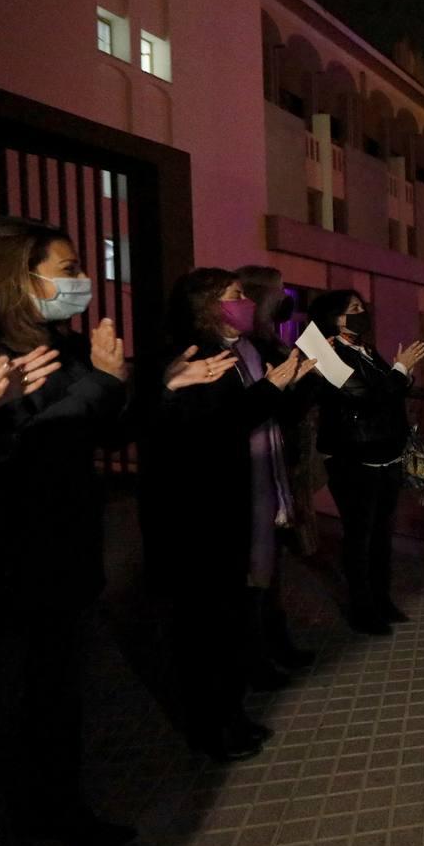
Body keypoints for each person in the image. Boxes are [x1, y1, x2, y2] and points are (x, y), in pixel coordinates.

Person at [0, 217, 136, 846]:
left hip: (66, 553)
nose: (81, 281)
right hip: (8, 566)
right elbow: (25, 448)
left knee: (59, 701)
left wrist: (114, 385)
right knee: (11, 712)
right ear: (18, 276)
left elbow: (98, 439)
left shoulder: (66, 346)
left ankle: (66, 814)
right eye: (67, 269)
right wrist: (101, 387)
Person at [144, 268, 315, 764]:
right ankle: (210, 728)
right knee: (201, 630)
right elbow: (212, 427)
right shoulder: (192, 354)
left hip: (230, 506)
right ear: (207, 304)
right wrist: (270, 390)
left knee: (227, 620)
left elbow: (250, 414)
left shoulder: (241, 350)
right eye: (235, 295)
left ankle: (232, 715)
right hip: (197, 516)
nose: (245, 303)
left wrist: (286, 385)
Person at [309, 290, 424, 635]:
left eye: (362, 307)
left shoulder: (366, 349)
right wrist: (401, 369)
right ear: (333, 317)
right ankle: (362, 608)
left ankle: (382, 599)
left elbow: (388, 391)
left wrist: (402, 374)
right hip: (352, 457)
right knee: (359, 537)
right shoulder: (324, 351)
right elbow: (364, 394)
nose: (362, 313)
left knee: (381, 534)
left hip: (385, 453)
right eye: (353, 309)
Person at [235, 266, 317, 684]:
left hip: (277, 464)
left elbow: (288, 407)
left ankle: (275, 643)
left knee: (272, 567)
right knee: (255, 570)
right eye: (275, 293)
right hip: (252, 472)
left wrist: (303, 380)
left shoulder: (267, 344)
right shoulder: (239, 350)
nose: (284, 300)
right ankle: (257, 654)